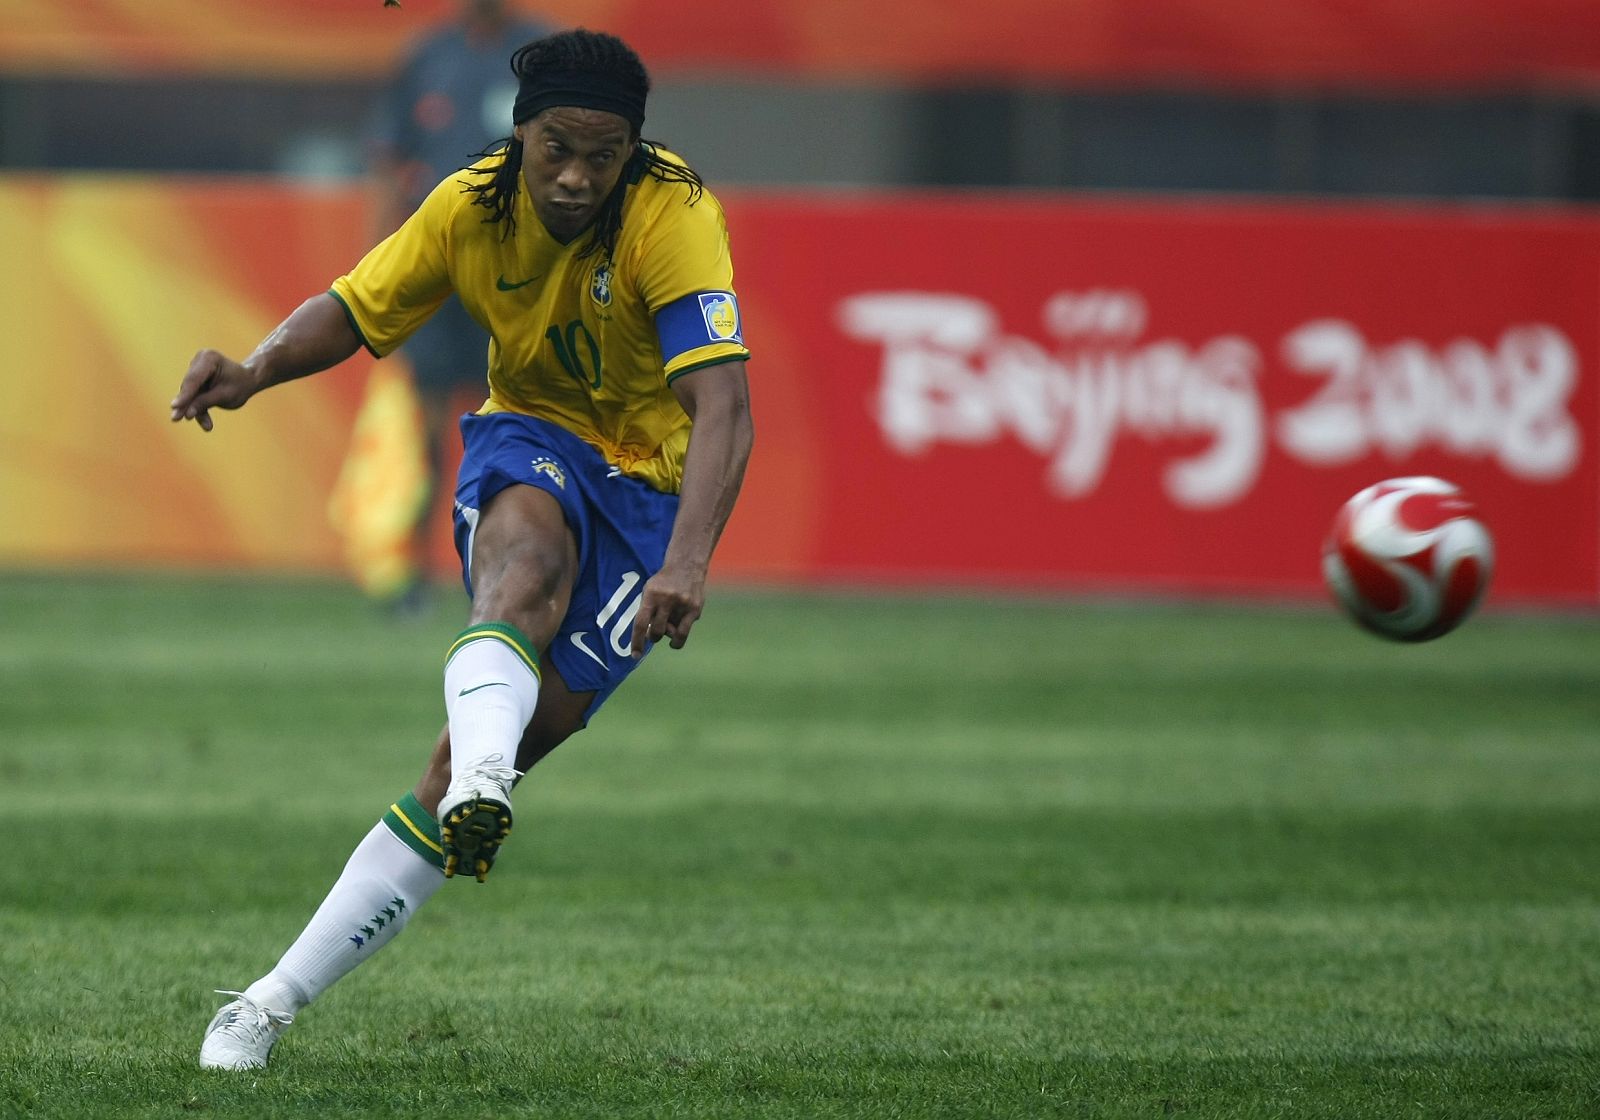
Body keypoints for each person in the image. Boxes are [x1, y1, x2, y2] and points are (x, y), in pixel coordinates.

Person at [172, 28, 754, 1071]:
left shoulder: (675, 211)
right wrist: (254, 369)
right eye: (556, 150)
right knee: (518, 568)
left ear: (634, 149)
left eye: (603, 153)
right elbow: (354, 308)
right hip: (530, 431)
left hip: (648, 497)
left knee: (454, 775)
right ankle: (251, 1017)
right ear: (518, 134)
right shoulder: (468, 201)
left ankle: (292, 973)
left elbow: (723, 407)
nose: (577, 175)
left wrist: (690, 560)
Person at [365, 0, 550, 608]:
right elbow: (394, 159)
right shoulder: (428, 54)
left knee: (516, 427)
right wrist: (383, 261)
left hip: (515, 274)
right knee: (424, 427)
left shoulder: (545, 55)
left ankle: (519, 570)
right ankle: (410, 573)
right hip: (438, 273)